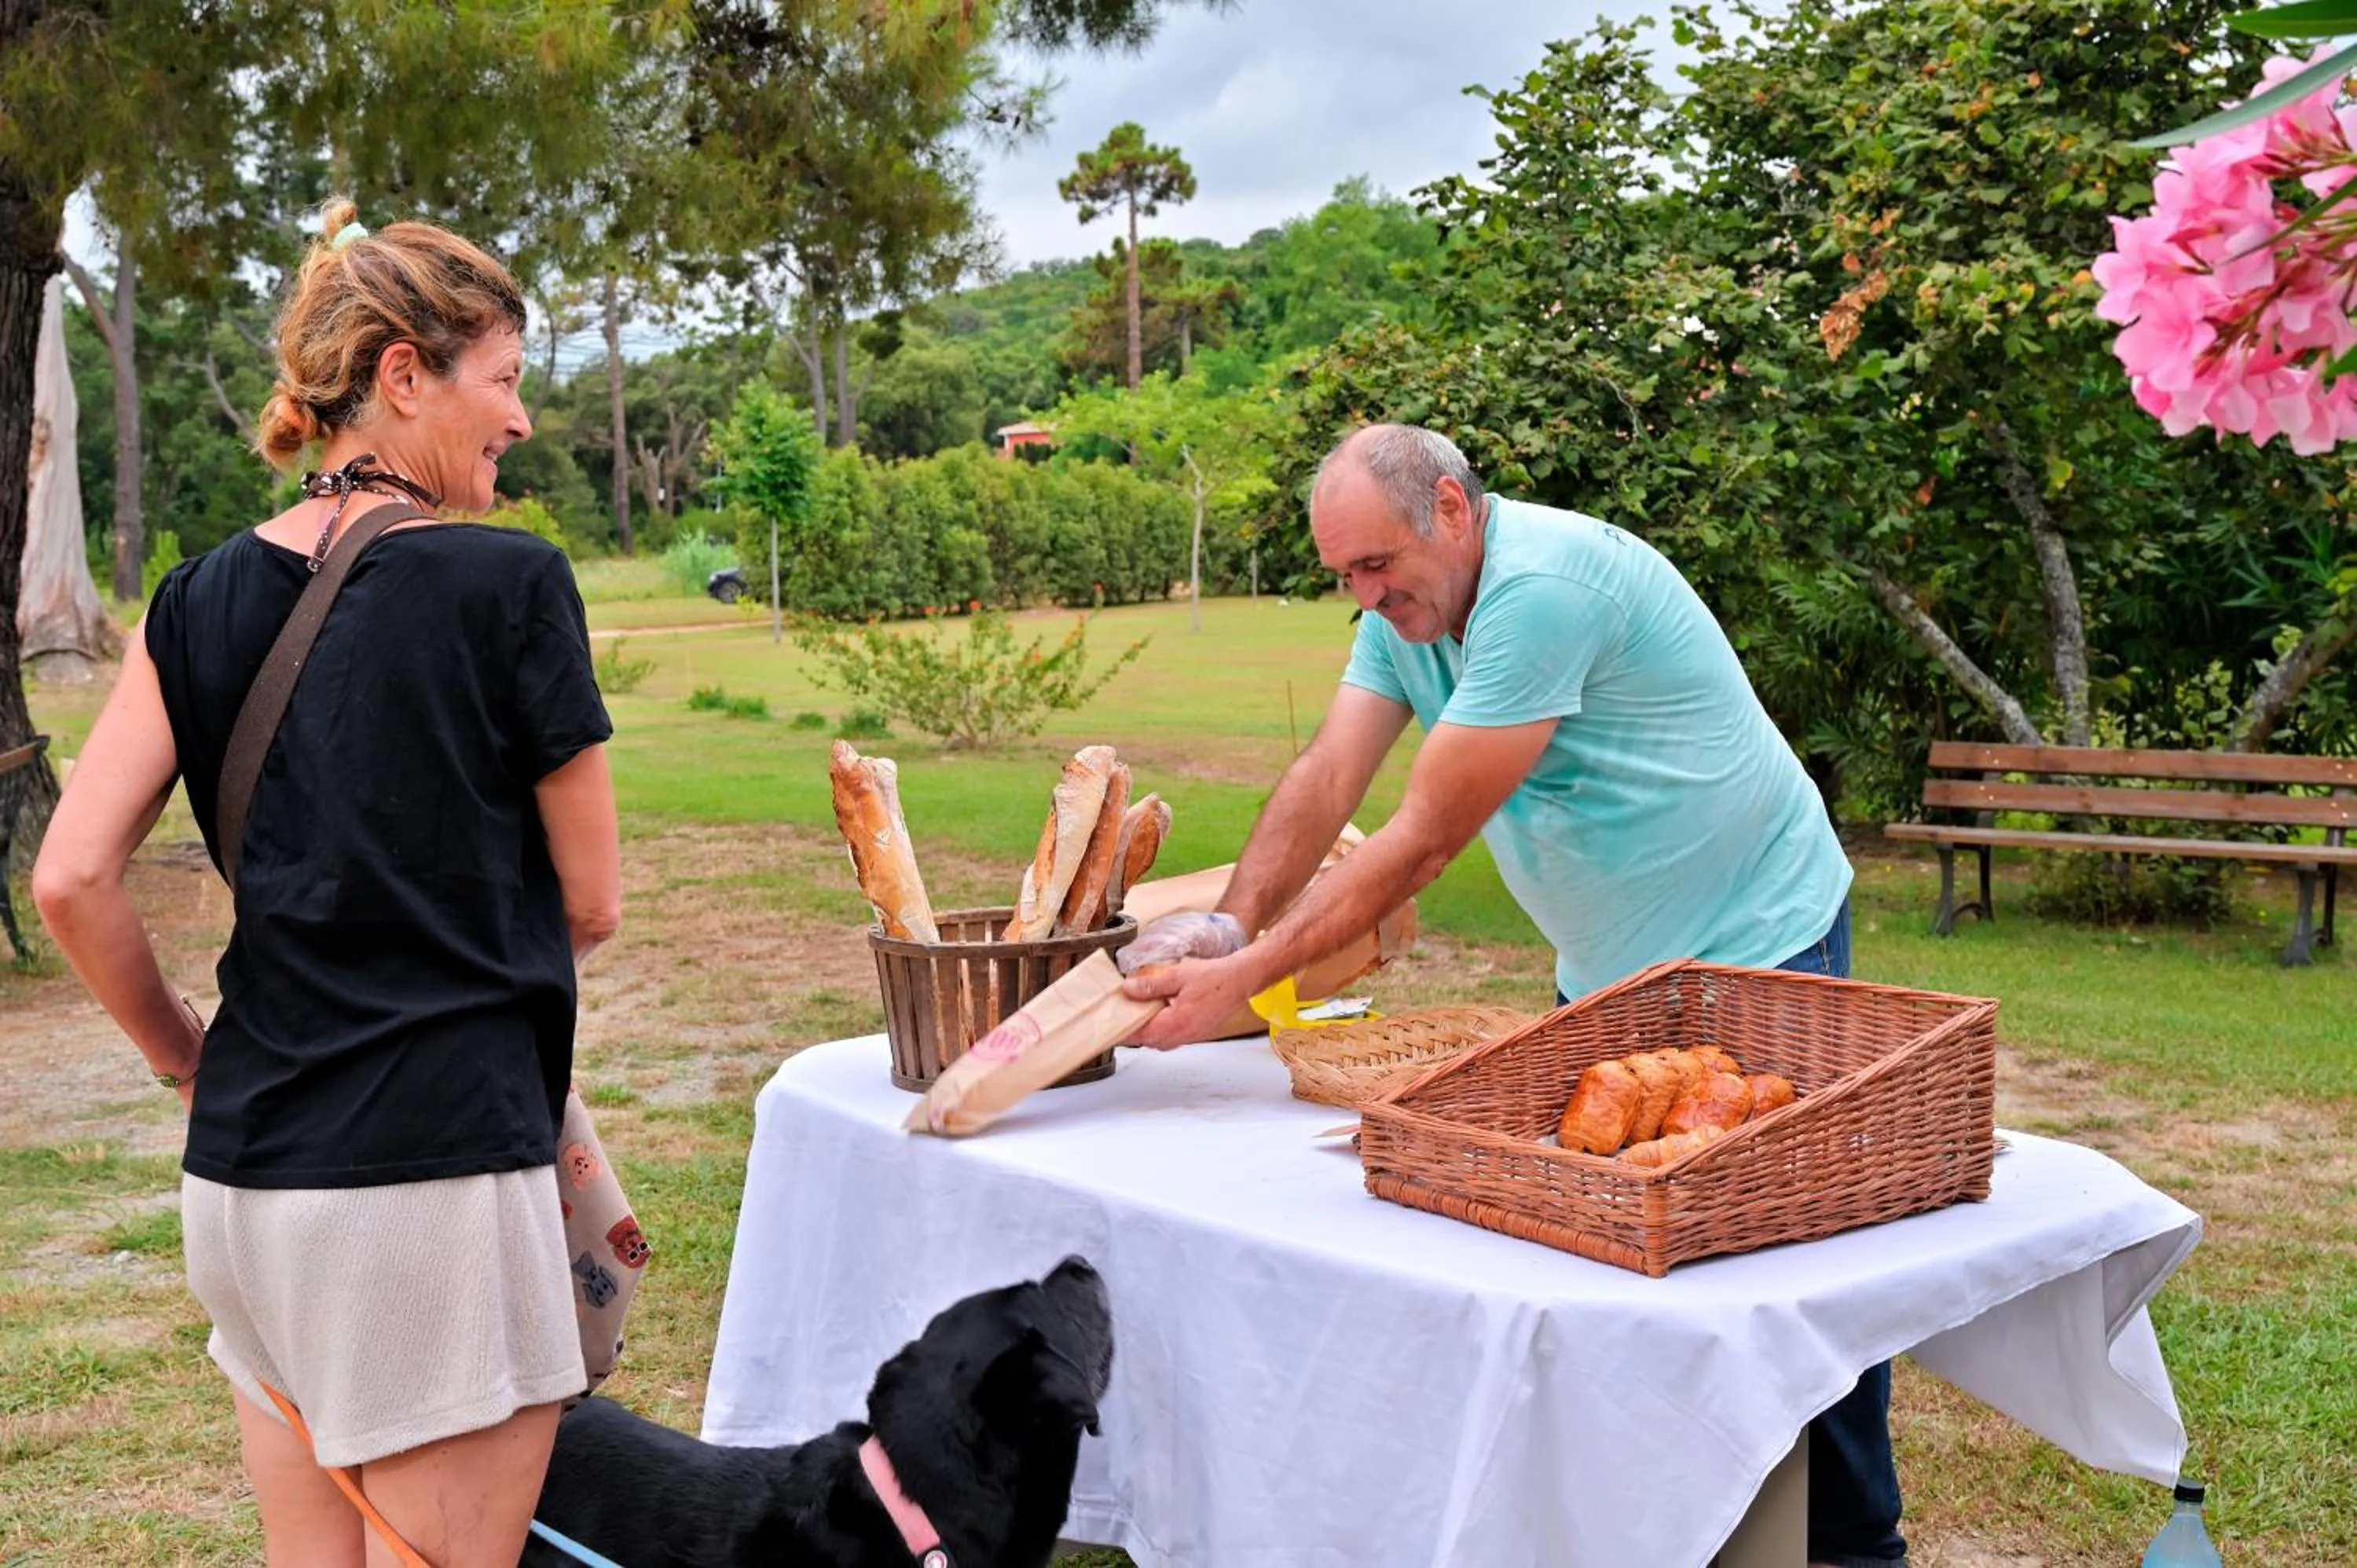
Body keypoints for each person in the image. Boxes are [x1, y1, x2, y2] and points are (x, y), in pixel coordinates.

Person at [1116, 424, 1904, 1567]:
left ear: (1451, 507)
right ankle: (1669, 1528)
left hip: (1760, 940)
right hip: (1615, 977)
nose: (1365, 596)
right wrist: (1231, 925)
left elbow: (1427, 836)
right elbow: (1328, 776)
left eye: (1376, 566)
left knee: (1785, 1260)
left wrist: (1242, 981)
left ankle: (1852, 1546)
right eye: (1343, 578)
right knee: (1621, 1256)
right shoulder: (1405, 617)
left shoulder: (1545, 590)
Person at [33, 200, 619, 1567]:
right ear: (402, 377)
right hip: (427, 1188)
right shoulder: (512, 583)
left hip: (246, 1186)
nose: (520, 420)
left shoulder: (192, 598)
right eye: (505, 380)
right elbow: (589, 902)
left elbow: (71, 877)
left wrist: (187, 1057)